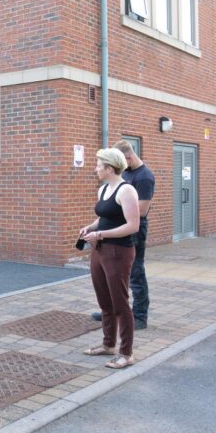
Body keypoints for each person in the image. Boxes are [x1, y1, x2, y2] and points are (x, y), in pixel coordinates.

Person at [79, 148, 140, 369]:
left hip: (118, 252)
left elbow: (133, 226)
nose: (95, 168)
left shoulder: (127, 191)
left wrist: (101, 234)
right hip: (99, 250)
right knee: (104, 300)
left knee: (120, 302)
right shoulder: (104, 189)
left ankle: (126, 353)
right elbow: (104, 217)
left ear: (109, 168)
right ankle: (108, 345)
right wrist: (91, 227)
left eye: (98, 165)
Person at [92, 140, 155, 329]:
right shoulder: (125, 173)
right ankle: (111, 311)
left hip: (134, 231)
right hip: (116, 231)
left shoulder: (144, 177)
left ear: (128, 157)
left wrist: (121, 207)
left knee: (135, 272)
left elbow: (141, 210)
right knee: (114, 275)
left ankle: (140, 316)